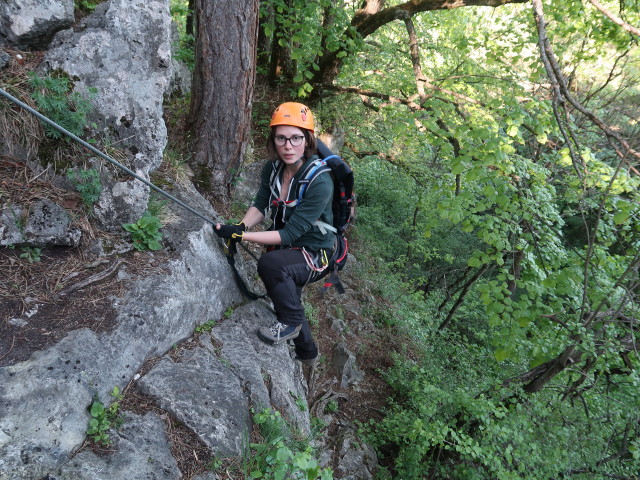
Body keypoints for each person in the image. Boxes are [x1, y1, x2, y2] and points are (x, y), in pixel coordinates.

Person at [214, 102, 335, 366]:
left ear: (308, 140)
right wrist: (242, 227)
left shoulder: (321, 181)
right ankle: (308, 354)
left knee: (272, 266)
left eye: (296, 138)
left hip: (316, 252)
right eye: (281, 138)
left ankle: (290, 325)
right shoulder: (273, 169)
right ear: (273, 140)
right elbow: (261, 204)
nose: (288, 146)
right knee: (289, 295)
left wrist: (241, 237)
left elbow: (290, 233)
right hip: (289, 250)